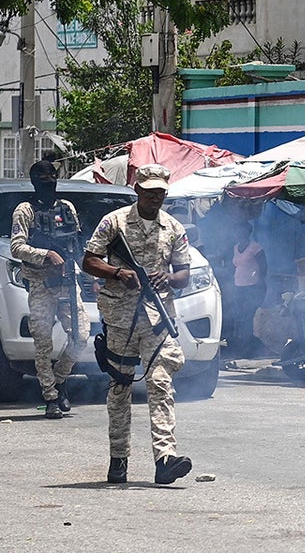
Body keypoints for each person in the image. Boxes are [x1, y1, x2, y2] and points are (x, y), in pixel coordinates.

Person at [82, 164, 193, 485]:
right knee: (120, 387)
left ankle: (165, 459)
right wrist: (118, 273)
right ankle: (119, 459)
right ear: (138, 190)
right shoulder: (114, 222)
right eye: (150, 191)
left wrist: (167, 277)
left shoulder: (173, 228)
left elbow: (183, 274)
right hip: (120, 319)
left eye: (161, 191)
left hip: (157, 319)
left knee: (160, 381)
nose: (156, 197)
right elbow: (89, 260)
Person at [10, 159, 90, 419]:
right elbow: (17, 247)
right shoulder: (25, 211)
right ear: (34, 182)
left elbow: (76, 245)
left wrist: (94, 276)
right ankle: (51, 397)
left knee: (81, 336)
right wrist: (46, 254)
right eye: (44, 180)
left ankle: (60, 379)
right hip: (41, 284)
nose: (50, 184)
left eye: (53, 178)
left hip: (68, 283)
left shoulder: (67, 208)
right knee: (43, 345)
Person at [228, 220, 268, 356]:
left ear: (248, 232)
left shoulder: (255, 247)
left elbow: (264, 267)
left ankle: (250, 347)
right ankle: (242, 346)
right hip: (239, 286)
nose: (239, 233)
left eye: (241, 230)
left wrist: (259, 282)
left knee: (248, 316)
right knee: (240, 317)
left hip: (253, 287)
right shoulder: (236, 247)